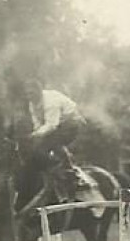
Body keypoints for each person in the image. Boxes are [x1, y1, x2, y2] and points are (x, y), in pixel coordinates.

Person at [13, 76, 85, 211]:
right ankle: (51, 169)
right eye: (27, 93)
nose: (29, 95)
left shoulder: (50, 101)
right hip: (56, 125)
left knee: (51, 143)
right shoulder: (32, 103)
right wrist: (34, 137)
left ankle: (71, 173)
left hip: (71, 123)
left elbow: (52, 125)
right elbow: (37, 123)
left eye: (32, 92)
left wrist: (34, 136)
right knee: (38, 148)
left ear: (39, 90)